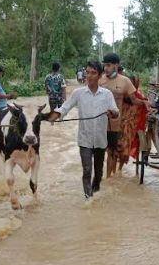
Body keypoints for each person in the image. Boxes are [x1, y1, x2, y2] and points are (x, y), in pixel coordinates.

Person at [46, 61, 120, 199]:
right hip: (84, 139)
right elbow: (65, 107)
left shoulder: (107, 94)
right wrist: (54, 115)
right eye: (87, 72)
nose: (89, 76)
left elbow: (116, 111)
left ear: (100, 75)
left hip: (100, 140)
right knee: (87, 170)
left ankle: (95, 190)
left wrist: (112, 113)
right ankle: (89, 199)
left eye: (93, 73)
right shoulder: (78, 93)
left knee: (98, 174)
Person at [99, 53, 151, 177]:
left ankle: (109, 179)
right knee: (101, 152)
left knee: (111, 152)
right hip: (100, 122)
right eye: (104, 65)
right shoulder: (100, 80)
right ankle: (109, 177)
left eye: (108, 65)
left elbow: (134, 100)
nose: (106, 68)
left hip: (116, 123)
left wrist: (144, 102)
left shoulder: (125, 81)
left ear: (116, 66)